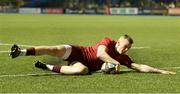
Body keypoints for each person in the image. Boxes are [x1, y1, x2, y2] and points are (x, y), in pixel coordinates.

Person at [10, 35, 176, 75]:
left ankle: (46, 66)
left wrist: (160, 71)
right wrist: (114, 62)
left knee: (80, 71)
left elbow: (138, 66)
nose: (126, 51)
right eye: (125, 47)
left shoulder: (123, 58)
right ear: (118, 43)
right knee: (54, 49)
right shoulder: (108, 42)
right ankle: (21, 52)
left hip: (84, 65)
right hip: (79, 51)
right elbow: (100, 53)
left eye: (128, 49)